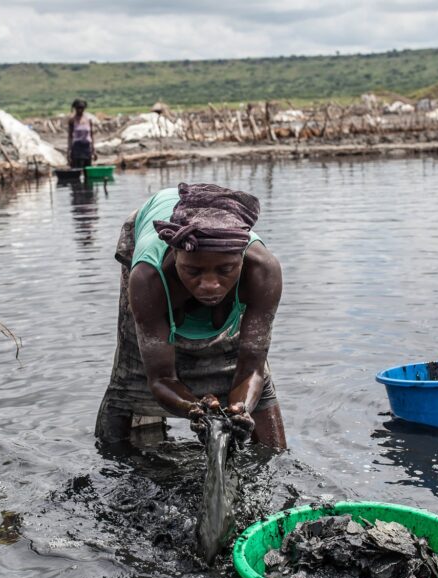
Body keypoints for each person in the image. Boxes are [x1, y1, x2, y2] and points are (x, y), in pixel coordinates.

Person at [96, 182, 287, 447]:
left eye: (225, 270)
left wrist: (240, 409)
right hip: (150, 230)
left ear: (242, 259)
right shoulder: (148, 278)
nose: (210, 285)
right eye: (194, 271)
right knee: (133, 368)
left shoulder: (262, 271)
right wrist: (193, 409)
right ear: (175, 255)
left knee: (243, 369)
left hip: (220, 236)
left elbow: (251, 368)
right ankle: (117, 450)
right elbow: (160, 377)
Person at [67, 98, 95, 169]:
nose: (80, 110)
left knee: (88, 170)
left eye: (82, 108)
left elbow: (91, 135)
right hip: (77, 147)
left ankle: (87, 180)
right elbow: (70, 136)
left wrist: (93, 149)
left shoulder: (88, 120)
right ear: (75, 108)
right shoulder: (72, 120)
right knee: (76, 170)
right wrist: (69, 150)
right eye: (78, 108)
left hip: (87, 147)